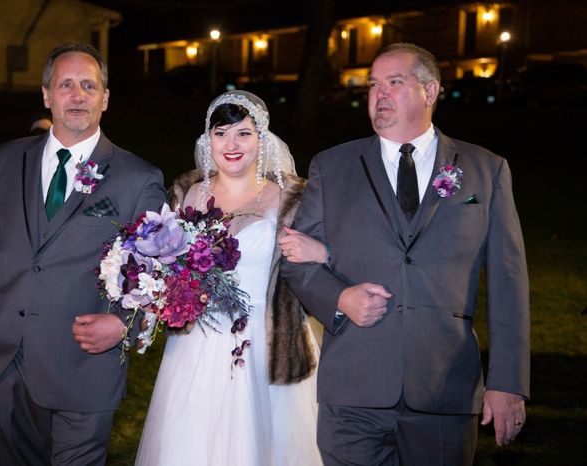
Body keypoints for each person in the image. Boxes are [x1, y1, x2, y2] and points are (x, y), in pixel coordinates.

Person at [281, 42, 530, 466]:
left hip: (444, 392)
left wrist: (508, 383)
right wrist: (340, 299)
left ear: (430, 91)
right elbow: (296, 259)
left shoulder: (486, 170)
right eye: (374, 84)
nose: (379, 94)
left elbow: (509, 282)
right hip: (354, 390)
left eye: (395, 82)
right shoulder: (334, 166)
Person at [0, 43, 166, 465]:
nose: (77, 95)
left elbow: (160, 272)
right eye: (65, 84)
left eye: (89, 85)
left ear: (105, 98)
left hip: (84, 367)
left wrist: (126, 325)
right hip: (4, 363)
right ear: (46, 94)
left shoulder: (138, 178)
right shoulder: (3, 161)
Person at [135, 90, 325, 466]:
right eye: (221, 133)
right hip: (195, 347)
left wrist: (323, 253)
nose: (232, 144)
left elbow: (323, 261)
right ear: (208, 140)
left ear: (262, 138)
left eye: (244, 133)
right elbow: (163, 266)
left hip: (268, 344)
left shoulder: (292, 199)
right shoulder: (186, 193)